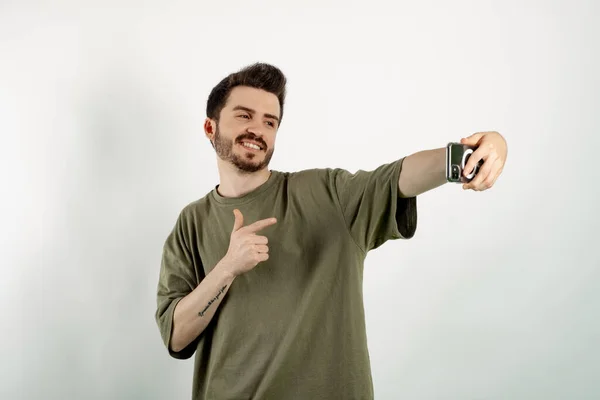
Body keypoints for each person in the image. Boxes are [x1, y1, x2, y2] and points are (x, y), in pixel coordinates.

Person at [154, 62, 508, 400]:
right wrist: (227, 268)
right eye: (244, 115)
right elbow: (177, 337)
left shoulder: (327, 195)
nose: (257, 130)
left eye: (270, 122)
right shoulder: (191, 223)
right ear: (210, 127)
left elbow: (398, 177)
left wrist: (478, 150)